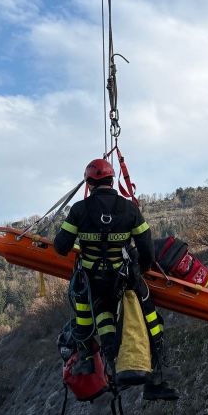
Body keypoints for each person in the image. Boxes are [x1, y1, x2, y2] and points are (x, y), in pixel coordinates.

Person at [53, 158, 178, 400]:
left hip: (92, 283)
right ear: (112, 180)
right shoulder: (130, 209)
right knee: (150, 317)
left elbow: (61, 247)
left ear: (88, 183)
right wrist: (137, 273)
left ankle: (89, 362)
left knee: (90, 318)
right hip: (125, 281)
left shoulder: (78, 210)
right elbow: (148, 252)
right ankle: (157, 373)